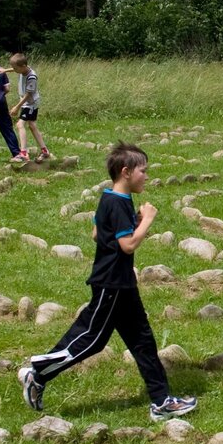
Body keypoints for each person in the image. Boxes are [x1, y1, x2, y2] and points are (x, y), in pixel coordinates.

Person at [19, 142, 197, 422]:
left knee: (143, 341)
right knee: (91, 340)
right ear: (126, 172)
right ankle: (37, 372)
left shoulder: (110, 198)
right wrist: (146, 221)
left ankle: (161, 401)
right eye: (143, 171)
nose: (147, 176)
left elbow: (95, 233)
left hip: (121, 283)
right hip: (112, 284)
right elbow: (127, 245)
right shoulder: (118, 202)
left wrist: (133, 220)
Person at [0, 53, 51, 163]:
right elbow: (15, 68)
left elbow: (28, 94)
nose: (14, 70)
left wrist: (17, 107)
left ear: (22, 66)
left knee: (20, 124)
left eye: (15, 68)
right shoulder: (23, 69)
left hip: (30, 103)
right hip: (28, 103)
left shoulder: (32, 77)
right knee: (32, 125)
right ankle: (45, 151)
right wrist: (5, 70)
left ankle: (23, 153)